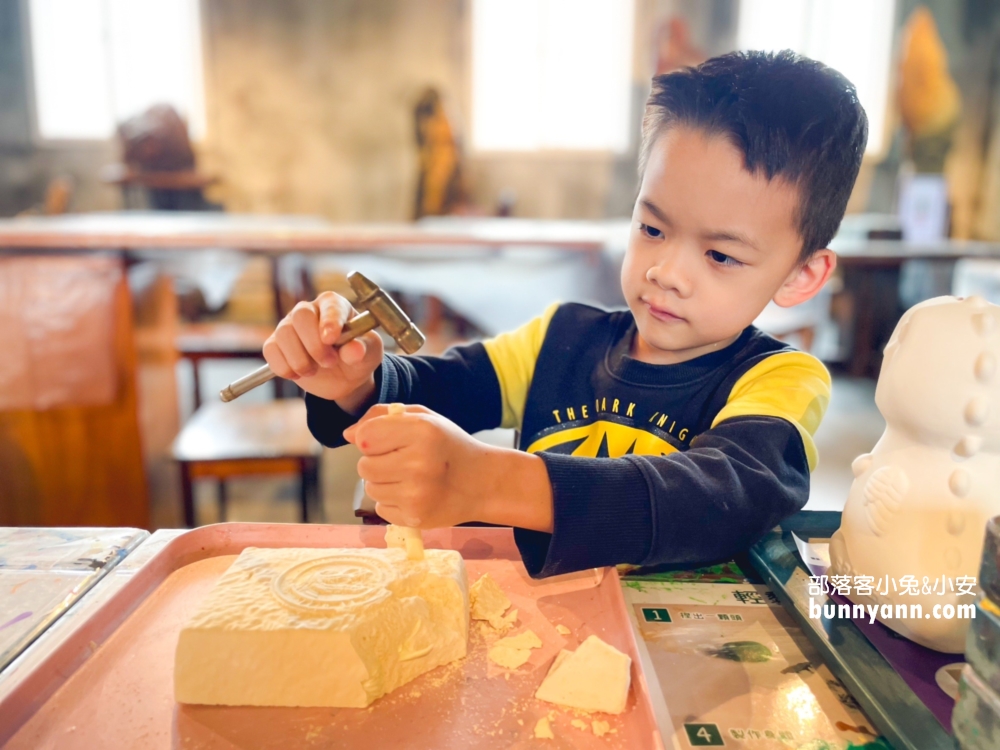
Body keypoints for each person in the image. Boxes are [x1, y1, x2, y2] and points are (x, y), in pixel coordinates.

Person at [263, 51, 868, 577]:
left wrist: (491, 482)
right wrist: (355, 382)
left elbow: (723, 497)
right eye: (652, 227)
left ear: (800, 275)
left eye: (720, 255)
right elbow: (442, 387)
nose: (666, 272)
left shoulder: (777, 382)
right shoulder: (560, 339)